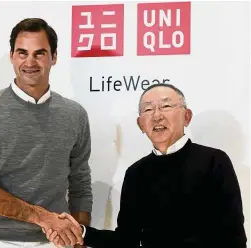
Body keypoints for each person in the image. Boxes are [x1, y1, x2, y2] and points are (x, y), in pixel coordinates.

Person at [46, 83, 247, 248]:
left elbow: (234, 236)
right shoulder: (136, 173)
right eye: (148, 110)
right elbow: (126, 240)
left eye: (166, 106)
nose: (157, 115)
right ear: (141, 124)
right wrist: (81, 232)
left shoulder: (215, 161)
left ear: (187, 116)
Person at [0, 18, 92, 247]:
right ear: (12, 56)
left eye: (39, 53)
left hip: (57, 240)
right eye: (22, 53)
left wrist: (79, 238)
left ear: (54, 57)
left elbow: (80, 183)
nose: (30, 62)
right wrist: (43, 218)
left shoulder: (75, 114)